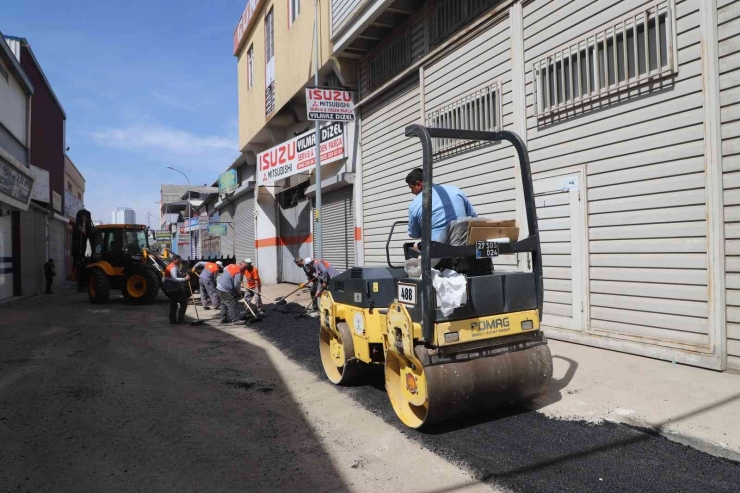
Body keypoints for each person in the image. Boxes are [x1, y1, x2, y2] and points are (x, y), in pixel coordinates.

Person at [405, 168, 477, 242]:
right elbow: (473, 217)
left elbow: (414, 234)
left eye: (412, 188)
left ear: (418, 184)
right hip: (463, 246)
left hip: (436, 250)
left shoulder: (416, 203)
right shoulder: (456, 191)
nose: (412, 192)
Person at [163, 255, 191, 324]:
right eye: (178, 260)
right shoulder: (173, 268)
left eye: (180, 260)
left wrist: (182, 274)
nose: (179, 261)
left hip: (171, 288)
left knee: (173, 304)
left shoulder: (171, 266)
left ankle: (172, 320)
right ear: (174, 260)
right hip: (176, 288)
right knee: (184, 303)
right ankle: (181, 319)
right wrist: (185, 279)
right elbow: (174, 278)